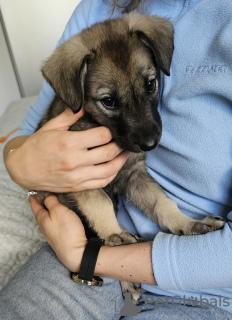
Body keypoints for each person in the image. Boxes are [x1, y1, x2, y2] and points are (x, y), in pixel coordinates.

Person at [0, 0, 232, 318]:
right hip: (88, 238)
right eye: (110, 101)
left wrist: (89, 256)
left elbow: (135, 177)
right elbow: (30, 140)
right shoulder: (97, 9)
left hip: (202, 287)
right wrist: (20, 165)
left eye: (149, 86)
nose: (147, 136)